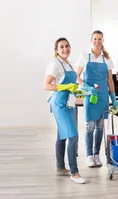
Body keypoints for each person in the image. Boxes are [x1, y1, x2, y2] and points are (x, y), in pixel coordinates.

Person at [44, 37, 86, 184]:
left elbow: (75, 84)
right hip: (59, 104)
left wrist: (84, 91)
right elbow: (47, 85)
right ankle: (75, 173)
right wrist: (65, 87)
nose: (65, 49)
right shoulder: (55, 64)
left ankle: (61, 167)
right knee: (73, 137)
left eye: (67, 46)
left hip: (69, 103)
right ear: (56, 50)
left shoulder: (69, 64)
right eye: (61, 47)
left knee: (61, 136)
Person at [76, 30, 118, 168]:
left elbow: (110, 81)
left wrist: (114, 98)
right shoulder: (84, 56)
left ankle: (96, 154)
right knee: (90, 126)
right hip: (90, 95)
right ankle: (89, 155)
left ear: (103, 41)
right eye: (95, 39)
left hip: (103, 96)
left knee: (100, 126)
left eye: (100, 39)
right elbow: (76, 77)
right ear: (91, 40)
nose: (97, 41)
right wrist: (87, 88)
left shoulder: (107, 59)